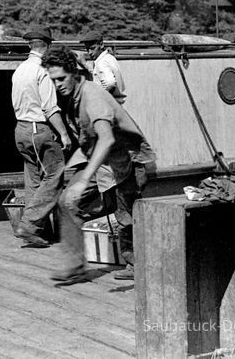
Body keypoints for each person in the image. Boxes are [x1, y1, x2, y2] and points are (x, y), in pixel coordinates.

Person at [42, 46, 156, 283]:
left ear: (74, 73)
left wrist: (83, 180)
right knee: (66, 201)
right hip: (104, 161)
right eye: (53, 80)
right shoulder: (72, 97)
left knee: (126, 217)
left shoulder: (92, 95)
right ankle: (76, 266)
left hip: (128, 160)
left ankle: (138, 265)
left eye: (61, 78)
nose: (58, 85)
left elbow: (107, 138)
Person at [11, 26, 71, 247]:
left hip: (21, 129)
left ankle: (38, 231)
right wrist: (64, 134)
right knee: (55, 174)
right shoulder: (42, 70)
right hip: (38, 129)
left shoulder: (19, 69)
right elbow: (50, 108)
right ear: (47, 46)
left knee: (34, 179)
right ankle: (29, 225)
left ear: (30, 45)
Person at [79, 30, 126, 105]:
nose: (90, 52)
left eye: (92, 48)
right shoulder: (109, 58)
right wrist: (84, 64)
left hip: (108, 106)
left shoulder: (101, 62)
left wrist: (99, 97)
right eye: (87, 49)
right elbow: (99, 74)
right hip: (116, 105)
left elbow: (110, 83)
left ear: (101, 45)